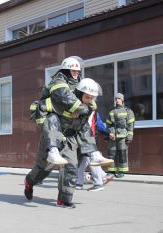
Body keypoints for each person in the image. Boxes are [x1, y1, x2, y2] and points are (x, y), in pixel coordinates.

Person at [24, 58, 112, 208]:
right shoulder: (58, 82)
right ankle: (29, 182)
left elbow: (91, 101)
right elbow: (65, 97)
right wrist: (82, 108)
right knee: (43, 169)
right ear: (66, 70)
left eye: (78, 71)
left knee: (71, 166)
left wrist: (88, 107)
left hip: (71, 135)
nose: (76, 73)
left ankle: (64, 199)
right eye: (73, 70)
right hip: (54, 132)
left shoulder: (80, 85)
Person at [76, 111, 115, 191]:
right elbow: (100, 125)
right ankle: (79, 183)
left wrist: (107, 133)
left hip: (88, 139)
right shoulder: (93, 111)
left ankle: (98, 183)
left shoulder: (88, 110)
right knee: (83, 160)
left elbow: (99, 125)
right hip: (87, 138)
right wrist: (108, 133)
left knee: (92, 160)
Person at [106, 93, 135, 178]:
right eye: (116, 99)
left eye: (119, 98)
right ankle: (112, 170)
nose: (117, 100)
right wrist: (110, 133)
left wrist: (129, 137)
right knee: (111, 153)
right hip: (113, 136)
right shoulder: (112, 111)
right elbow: (108, 124)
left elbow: (131, 125)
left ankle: (122, 170)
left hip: (123, 136)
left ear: (122, 100)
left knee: (122, 153)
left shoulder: (128, 111)